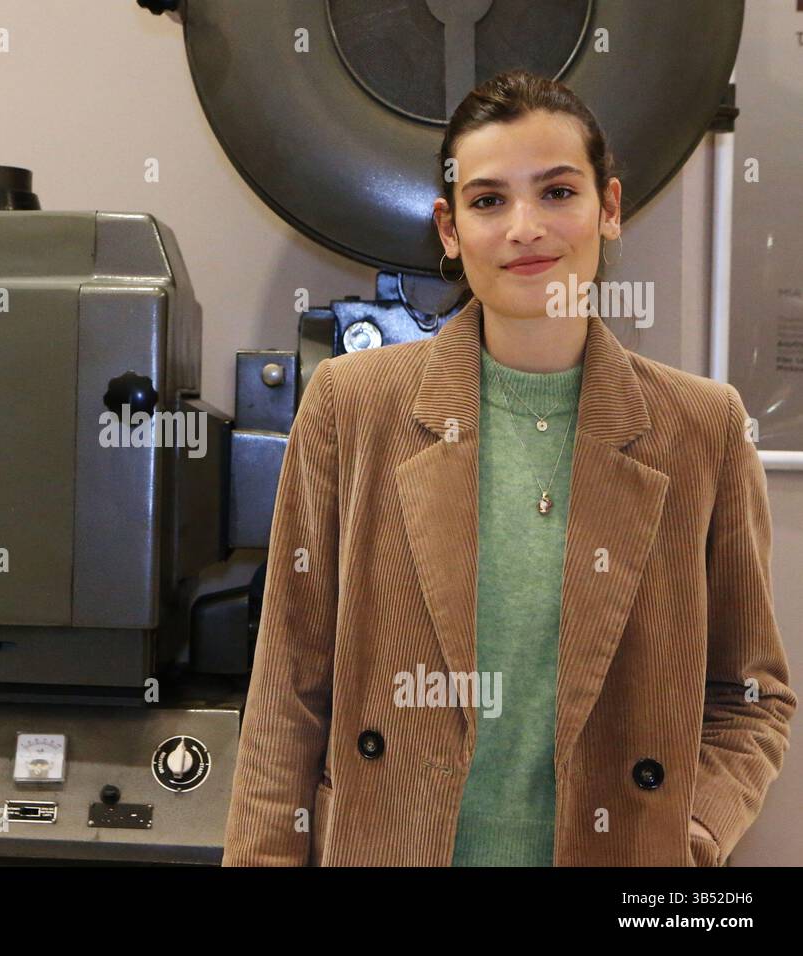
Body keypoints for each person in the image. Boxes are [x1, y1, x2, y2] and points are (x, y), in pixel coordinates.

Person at [222, 69, 795, 866]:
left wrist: (689, 832)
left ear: (611, 208)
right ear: (450, 230)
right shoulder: (351, 407)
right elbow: (287, 692)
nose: (525, 227)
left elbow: (751, 697)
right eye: (489, 200)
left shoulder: (703, 428)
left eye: (557, 192)